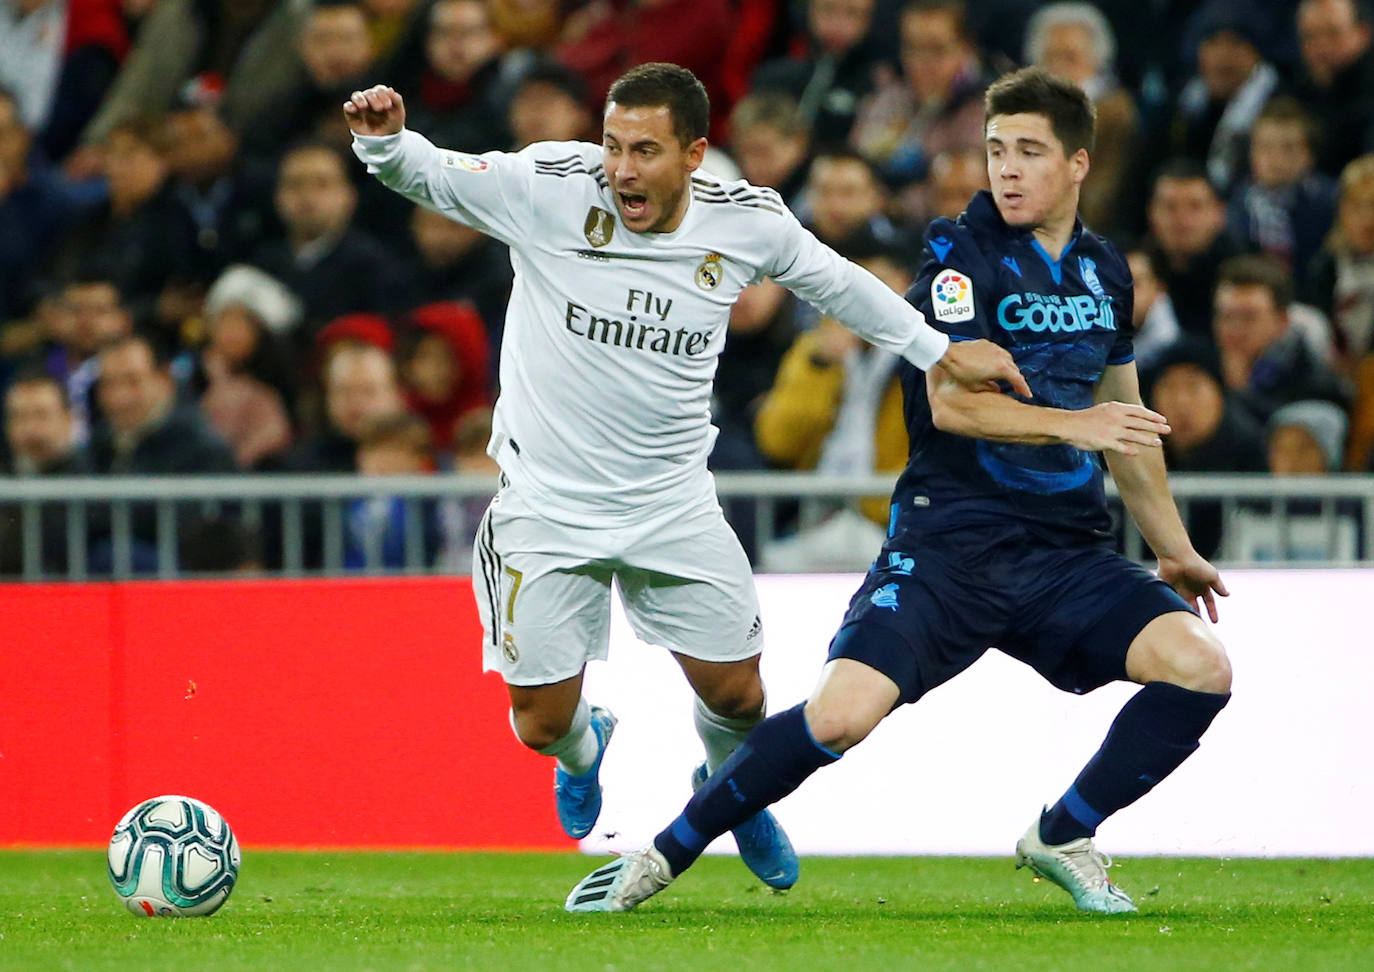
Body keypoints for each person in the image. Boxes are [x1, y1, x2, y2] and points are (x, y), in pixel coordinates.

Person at [567, 66, 1233, 916]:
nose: (1008, 170)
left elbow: (1128, 422)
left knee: (1201, 668)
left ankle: (1064, 833)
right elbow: (953, 404)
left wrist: (1174, 549)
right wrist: (1078, 426)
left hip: (1065, 555)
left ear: (1078, 164)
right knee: (839, 718)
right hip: (947, 548)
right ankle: (659, 857)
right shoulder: (959, 257)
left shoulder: (1106, 272)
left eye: (1030, 151)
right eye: (996, 151)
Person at [343, 62, 1024, 888]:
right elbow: (438, 176)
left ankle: (732, 789)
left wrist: (938, 350)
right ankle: (586, 747)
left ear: (696, 153)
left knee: (740, 698)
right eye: (613, 145)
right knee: (538, 723)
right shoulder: (551, 185)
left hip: (672, 502)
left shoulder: (746, 223)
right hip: (546, 507)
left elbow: (839, 283)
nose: (621, 169)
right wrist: (384, 144)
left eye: (645, 151)